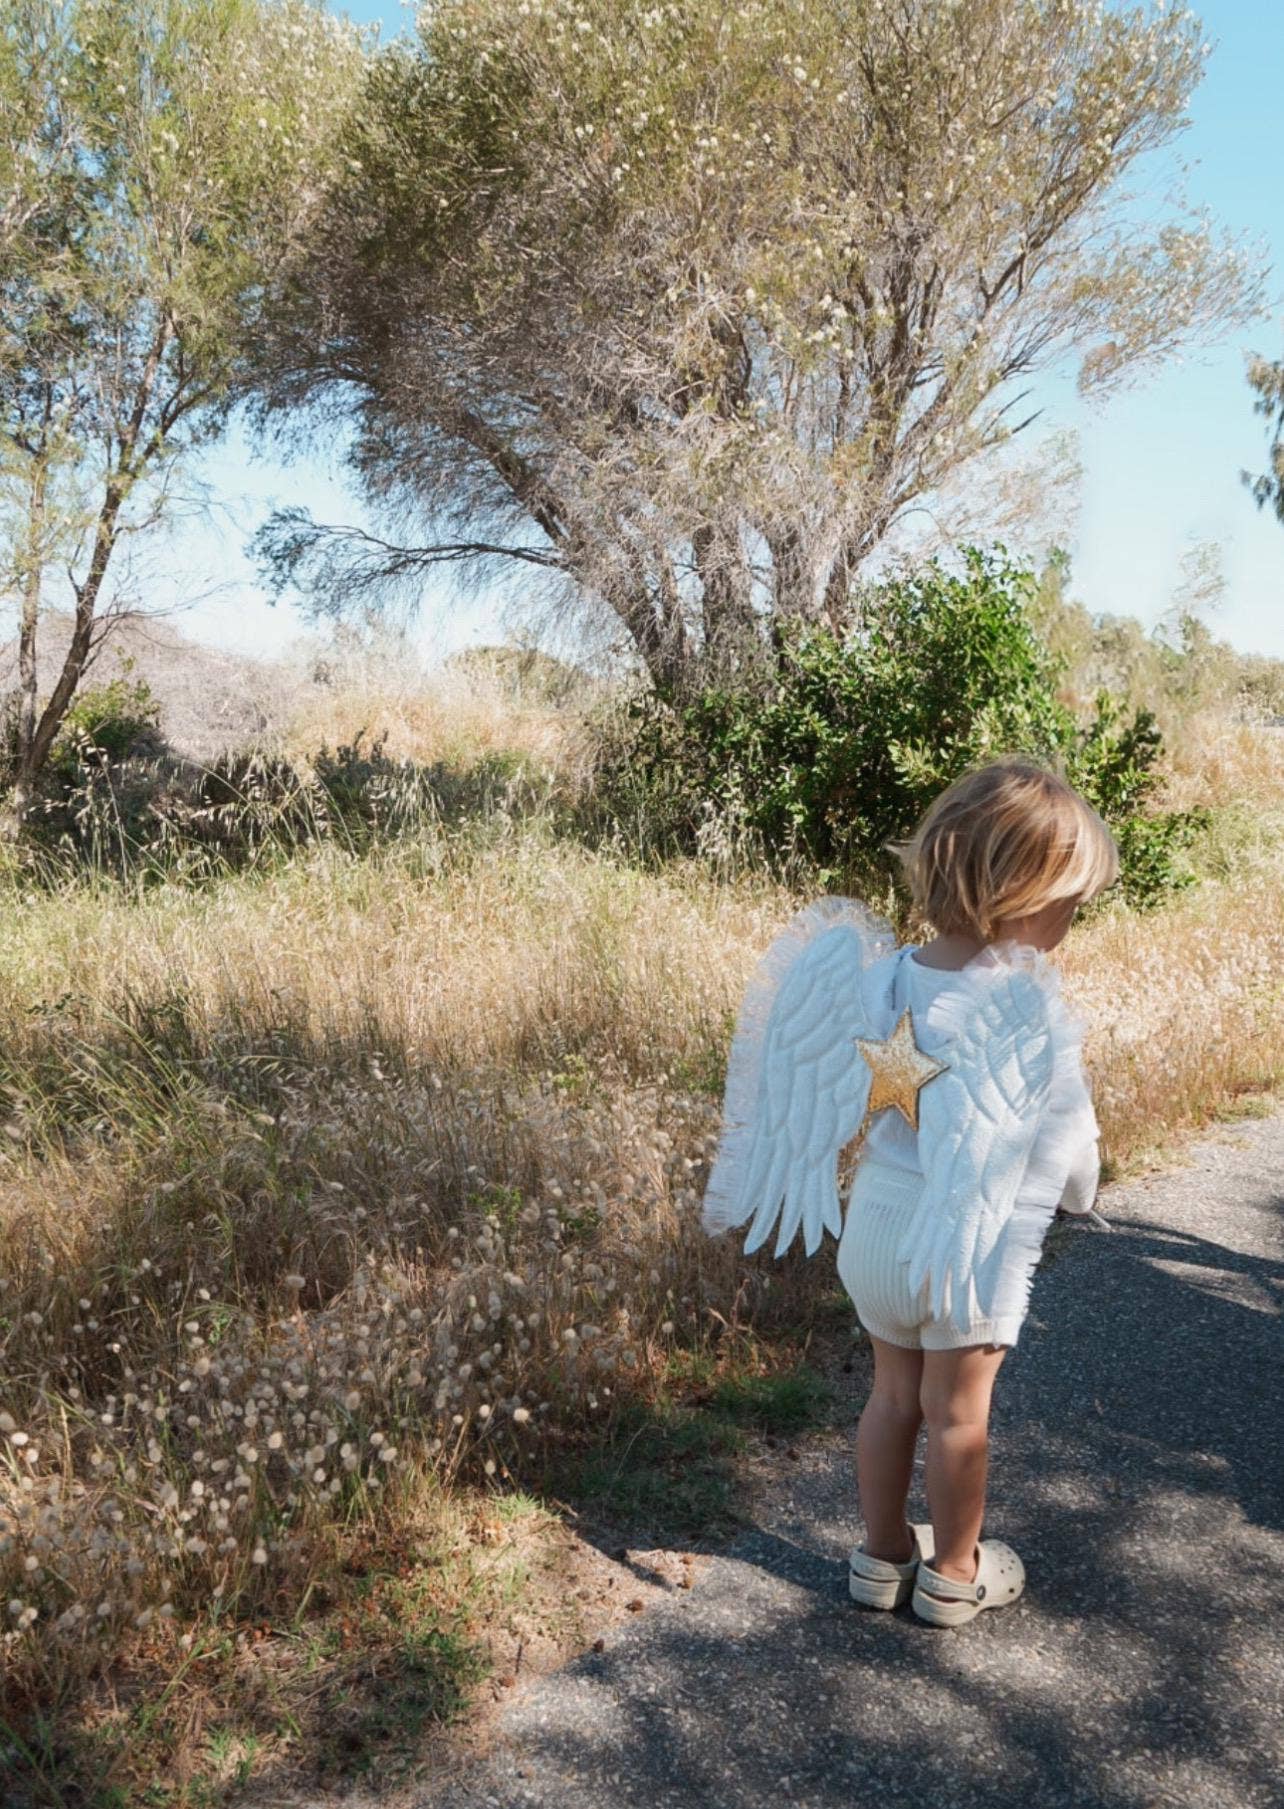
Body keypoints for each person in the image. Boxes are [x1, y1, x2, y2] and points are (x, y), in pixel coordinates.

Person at [842, 757, 1118, 1626]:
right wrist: (1080, 1191)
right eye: (1072, 903)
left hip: (878, 1226)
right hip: (966, 1241)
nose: (1073, 920)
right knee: (958, 1416)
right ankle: (956, 1571)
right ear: (1027, 896)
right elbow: (1073, 1147)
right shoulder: (1026, 1001)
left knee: (891, 1397)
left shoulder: (887, 976)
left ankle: (881, 1555)